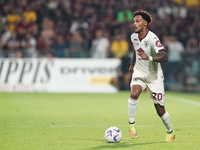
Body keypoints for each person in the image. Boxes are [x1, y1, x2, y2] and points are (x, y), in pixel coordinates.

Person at [128, 10, 175, 142]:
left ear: (145, 23)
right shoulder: (133, 37)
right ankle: (131, 125)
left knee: (160, 110)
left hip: (154, 77)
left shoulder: (152, 38)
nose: (134, 23)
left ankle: (170, 132)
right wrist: (132, 63)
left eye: (137, 21)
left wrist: (148, 57)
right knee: (134, 93)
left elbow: (165, 56)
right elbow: (136, 50)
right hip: (139, 72)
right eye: (134, 21)